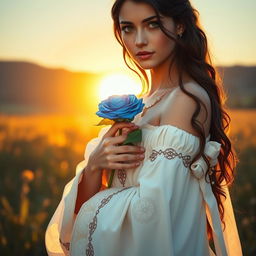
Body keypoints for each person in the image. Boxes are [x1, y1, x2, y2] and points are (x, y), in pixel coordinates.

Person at [45, 0, 243, 255]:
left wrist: (105, 189)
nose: (139, 40)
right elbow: (81, 210)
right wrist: (94, 166)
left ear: (180, 25)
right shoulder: (142, 104)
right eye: (128, 28)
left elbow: (154, 216)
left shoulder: (186, 99)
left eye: (152, 25)